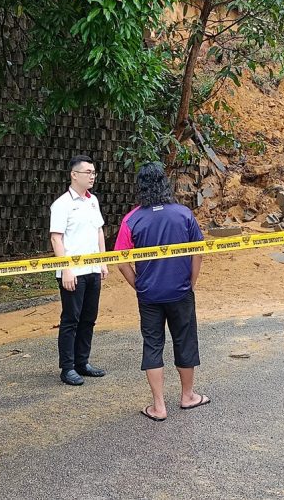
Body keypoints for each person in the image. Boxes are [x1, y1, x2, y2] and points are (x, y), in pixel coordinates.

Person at [113, 162, 210, 422]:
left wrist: (138, 285)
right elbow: (198, 251)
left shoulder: (132, 219)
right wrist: (191, 282)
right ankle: (187, 396)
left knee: (153, 344)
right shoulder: (183, 214)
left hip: (149, 295)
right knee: (185, 340)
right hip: (180, 291)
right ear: (165, 183)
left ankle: (158, 406)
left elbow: (121, 260)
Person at [50, 155, 108, 385]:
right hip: (73, 272)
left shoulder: (93, 201)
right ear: (74, 175)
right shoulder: (62, 204)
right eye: (87, 172)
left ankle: (82, 362)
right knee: (71, 319)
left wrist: (103, 261)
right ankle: (67, 367)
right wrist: (66, 269)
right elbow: (56, 238)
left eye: (94, 172)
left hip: (92, 269)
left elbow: (99, 231)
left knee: (89, 318)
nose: (92, 176)